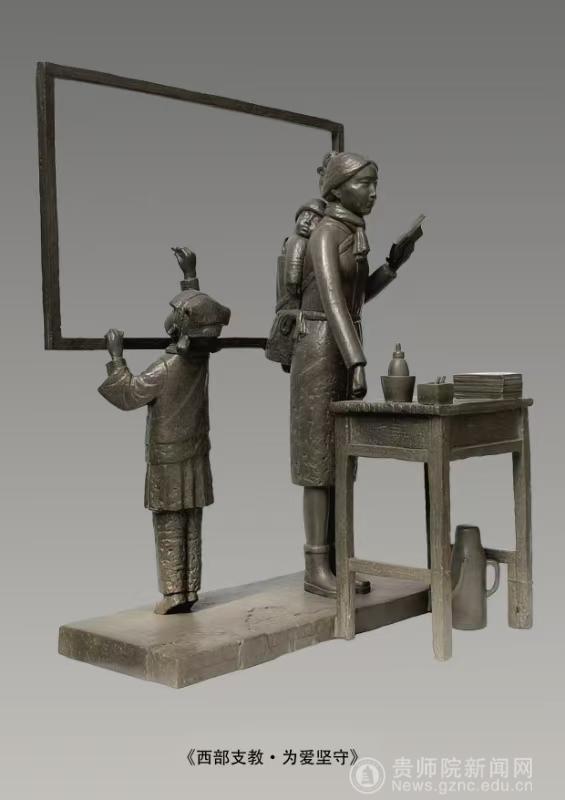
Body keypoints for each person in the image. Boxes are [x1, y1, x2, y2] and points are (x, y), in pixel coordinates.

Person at [290, 151, 418, 597]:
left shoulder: (350, 231)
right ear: (338, 189)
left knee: (342, 458)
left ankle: (339, 559)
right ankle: (315, 567)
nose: (374, 192)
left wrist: (393, 265)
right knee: (317, 459)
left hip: (341, 345)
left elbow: (356, 298)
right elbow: (330, 301)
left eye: (375, 183)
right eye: (365, 183)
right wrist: (357, 360)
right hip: (319, 348)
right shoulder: (326, 233)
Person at [98, 287, 231, 614]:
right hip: (196, 453)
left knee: (170, 524)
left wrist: (116, 357)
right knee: (191, 523)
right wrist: (190, 277)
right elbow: (198, 317)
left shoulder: (166, 367)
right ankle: (189, 589)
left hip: (168, 460)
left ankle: (174, 593)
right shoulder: (199, 359)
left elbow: (128, 394)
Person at [265, 198, 326, 371]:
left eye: (314, 218)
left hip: (288, 315)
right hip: (296, 317)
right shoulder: (297, 242)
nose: (307, 221)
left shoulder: (292, 243)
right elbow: (292, 283)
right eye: (304, 216)